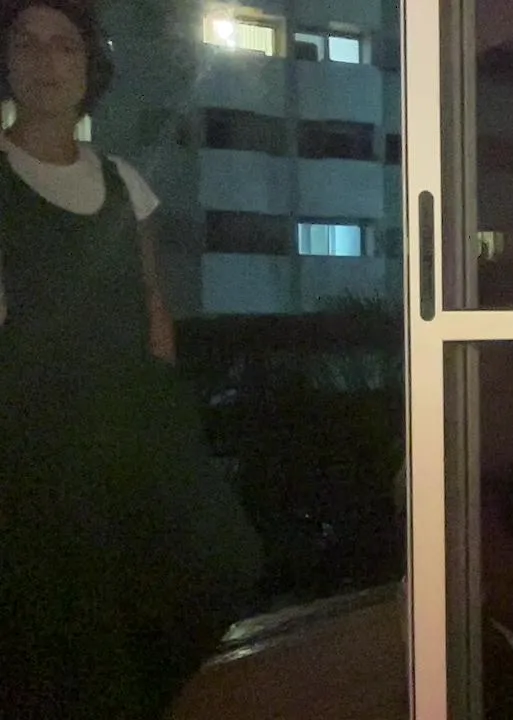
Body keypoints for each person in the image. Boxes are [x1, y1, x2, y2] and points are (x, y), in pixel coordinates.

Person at [0, 1, 264, 717]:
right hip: (37, 442)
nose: (46, 62)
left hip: (128, 431)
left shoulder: (121, 181)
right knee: (65, 622)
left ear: (90, 67)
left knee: (223, 560)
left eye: (65, 46)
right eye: (26, 44)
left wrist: (166, 424)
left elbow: (152, 305)